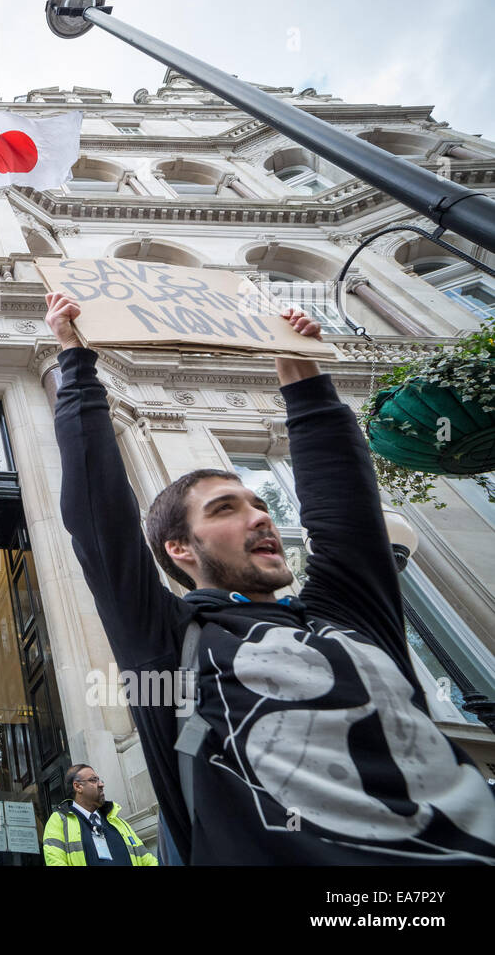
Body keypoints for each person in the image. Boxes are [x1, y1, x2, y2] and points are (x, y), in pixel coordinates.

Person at [45, 291, 495, 864]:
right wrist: (75, 363)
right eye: (225, 509)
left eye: (259, 503)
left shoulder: (348, 613)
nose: (261, 516)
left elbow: (345, 507)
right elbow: (97, 514)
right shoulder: (167, 642)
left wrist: (295, 365)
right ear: (178, 548)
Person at [43, 764, 156, 866]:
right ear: (77, 787)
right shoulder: (59, 820)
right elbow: (55, 862)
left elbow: (146, 859)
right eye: (94, 780)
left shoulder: (118, 822)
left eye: (99, 780)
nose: (101, 784)